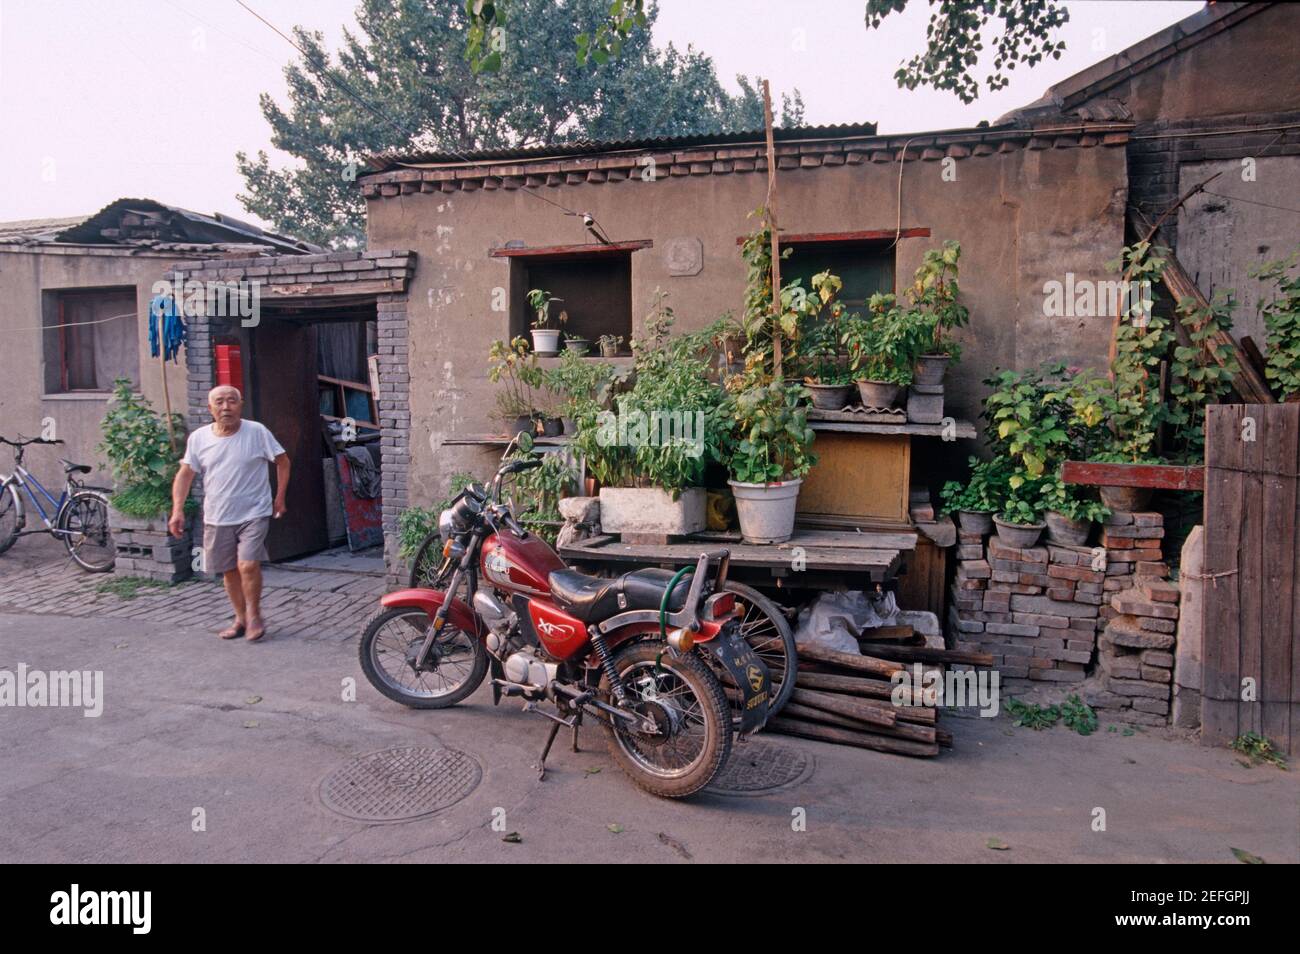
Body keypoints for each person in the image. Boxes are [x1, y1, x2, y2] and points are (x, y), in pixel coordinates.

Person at [170, 385, 289, 642]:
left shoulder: (257, 432)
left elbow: (283, 461)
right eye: (220, 402)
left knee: (247, 564)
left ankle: (255, 615)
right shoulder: (199, 438)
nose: (226, 407)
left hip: (254, 512)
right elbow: (185, 474)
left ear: (241, 404)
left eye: (232, 401)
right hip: (217, 515)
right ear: (210, 408)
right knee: (228, 570)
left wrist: (279, 497)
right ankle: (240, 618)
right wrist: (177, 510)